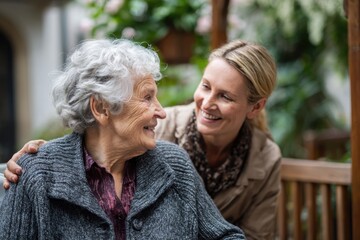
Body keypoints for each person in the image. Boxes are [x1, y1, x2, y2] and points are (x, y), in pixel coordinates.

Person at [4, 39, 281, 239]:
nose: (160, 111)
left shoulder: (173, 161)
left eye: (225, 96)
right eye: (148, 97)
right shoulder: (37, 174)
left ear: (255, 107)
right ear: (101, 108)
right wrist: (27, 166)